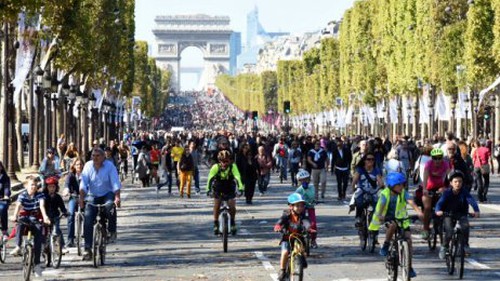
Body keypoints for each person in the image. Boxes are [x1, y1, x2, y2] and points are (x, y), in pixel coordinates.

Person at [369, 172, 423, 279]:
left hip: (401, 219)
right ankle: (386, 244)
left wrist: (418, 212)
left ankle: (409, 266)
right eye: (399, 185)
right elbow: (382, 205)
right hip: (387, 217)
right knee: (392, 226)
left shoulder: (403, 192)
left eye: (402, 184)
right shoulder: (385, 193)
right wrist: (380, 215)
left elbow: (411, 202)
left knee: (408, 239)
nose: (401, 187)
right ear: (392, 185)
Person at [79, 148, 121, 260]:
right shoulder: (88, 166)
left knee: (110, 207)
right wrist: (81, 198)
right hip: (92, 195)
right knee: (88, 217)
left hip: (107, 193)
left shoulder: (110, 166)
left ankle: (112, 231)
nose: (95, 158)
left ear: (103, 157)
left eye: (98, 155)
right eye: (93, 155)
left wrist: (117, 197)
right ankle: (87, 248)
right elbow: (83, 184)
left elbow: (115, 183)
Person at [9, 179, 51, 277]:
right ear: (26, 186)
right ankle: (18, 246)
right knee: (19, 223)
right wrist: (15, 215)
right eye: (31, 185)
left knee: (38, 240)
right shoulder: (22, 195)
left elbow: (42, 206)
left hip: (36, 218)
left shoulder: (40, 195)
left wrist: (45, 217)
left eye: (35, 185)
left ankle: (37, 265)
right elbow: (18, 205)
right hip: (25, 218)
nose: (34, 187)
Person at [436, 170, 480, 259]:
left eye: (460, 181)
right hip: (448, 214)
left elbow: (471, 201)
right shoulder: (447, 193)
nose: (458, 184)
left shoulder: (464, 192)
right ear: (451, 183)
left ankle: (465, 245)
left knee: (465, 226)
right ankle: (444, 247)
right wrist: (438, 210)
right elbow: (439, 203)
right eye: (455, 182)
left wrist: (476, 210)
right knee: (449, 231)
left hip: (461, 213)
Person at [206, 150, 244, 235]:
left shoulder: (233, 167)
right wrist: (208, 190)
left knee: (232, 206)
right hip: (218, 187)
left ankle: (233, 222)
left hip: (229, 187)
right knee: (217, 204)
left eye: (227, 161)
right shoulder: (215, 167)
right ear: (219, 161)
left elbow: (238, 177)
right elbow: (210, 179)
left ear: (230, 160)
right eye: (222, 161)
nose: (224, 164)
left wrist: (241, 188)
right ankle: (215, 223)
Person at [273, 193, 309, 281]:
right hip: (287, 237)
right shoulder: (286, 215)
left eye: (302, 206)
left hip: (299, 236)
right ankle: (282, 270)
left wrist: (309, 228)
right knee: (285, 252)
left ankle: (302, 259)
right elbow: (279, 223)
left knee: (304, 246)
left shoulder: (303, 215)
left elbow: (307, 223)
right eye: (297, 206)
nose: (300, 208)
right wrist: (278, 227)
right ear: (291, 206)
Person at [421, 148, 450, 240]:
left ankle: (445, 224)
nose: (437, 160)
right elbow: (425, 176)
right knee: (427, 208)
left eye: (439, 158)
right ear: (432, 158)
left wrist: (447, 187)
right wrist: (425, 189)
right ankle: (425, 229)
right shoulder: (428, 164)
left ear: (442, 158)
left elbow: (450, 176)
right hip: (429, 187)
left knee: (445, 206)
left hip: (440, 187)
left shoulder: (445, 164)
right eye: (435, 158)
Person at [350, 153, 384, 228]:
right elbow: (354, 181)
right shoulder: (360, 170)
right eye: (368, 159)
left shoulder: (376, 170)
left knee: (377, 202)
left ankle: (377, 219)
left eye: (372, 159)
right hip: (361, 189)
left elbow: (380, 181)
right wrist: (353, 188)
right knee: (359, 202)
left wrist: (381, 186)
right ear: (364, 161)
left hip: (373, 191)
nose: (371, 161)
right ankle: (358, 218)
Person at [43, 176, 68, 253]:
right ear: (46, 187)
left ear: (56, 187)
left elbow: (62, 206)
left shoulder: (58, 197)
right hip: (46, 217)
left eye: (53, 187)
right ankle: (43, 245)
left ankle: (62, 246)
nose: (51, 189)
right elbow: (40, 206)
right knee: (43, 232)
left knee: (57, 230)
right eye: (50, 187)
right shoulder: (44, 196)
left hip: (55, 216)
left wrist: (65, 212)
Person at [63, 158, 84, 247]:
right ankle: (70, 239)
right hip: (74, 197)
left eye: (80, 164)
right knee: (70, 215)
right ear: (74, 166)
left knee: (89, 214)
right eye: (77, 164)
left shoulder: (86, 175)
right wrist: (66, 190)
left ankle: (87, 235)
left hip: (85, 198)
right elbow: (67, 184)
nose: (79, 166)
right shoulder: (71, 175)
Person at [294, 169, 318, 248]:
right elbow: (296, 199)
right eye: (302, 180)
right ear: (299, 181)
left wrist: (313, 201)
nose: (304, 182)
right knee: (298, 223)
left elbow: (312, 196)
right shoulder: (298, 190)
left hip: (310, 207)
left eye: (306, 180)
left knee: (313, 224)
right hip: (301, 209)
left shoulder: (312, 188)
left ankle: (313, 240)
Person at [0, 161, 11, 239]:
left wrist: (6, 195)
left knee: (2, 208)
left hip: (2, 199)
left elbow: (6, 188)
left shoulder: (5, 177)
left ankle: (4, 230)